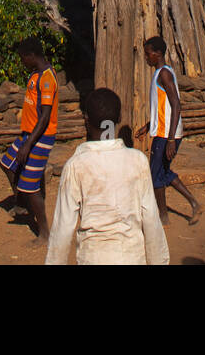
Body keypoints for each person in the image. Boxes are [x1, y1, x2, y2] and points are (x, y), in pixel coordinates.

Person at [45, 88, 169, 266]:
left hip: (93, 258)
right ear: (119, 119)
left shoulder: (76, 166)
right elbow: (151, 219)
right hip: (132, 258)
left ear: (86, 120)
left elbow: (63, 229)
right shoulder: (138, 161)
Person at [135, 36, 201, 226]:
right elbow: (163, 107)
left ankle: (162, 217)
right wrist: (148, 126)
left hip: (166, 134)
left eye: (148, 54)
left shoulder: (164, 74)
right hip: (164, 131)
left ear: (157, 54)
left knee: (155, 175)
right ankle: (194, 204)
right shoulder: (161, 73)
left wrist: (171, 139)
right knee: (163, 172)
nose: (146, 58)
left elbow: (176, 105)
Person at [0, 37, 58, 244]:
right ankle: (22, 202)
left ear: (31, 56)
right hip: (28, 133)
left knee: (31, 186)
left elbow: (45, 117)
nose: (21, 61)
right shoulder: (35, 74)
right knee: (7, 164)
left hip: (40, 137)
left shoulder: (47, 79)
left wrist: (29, 144)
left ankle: (44, 233)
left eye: (23, 58)